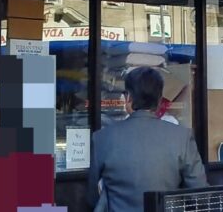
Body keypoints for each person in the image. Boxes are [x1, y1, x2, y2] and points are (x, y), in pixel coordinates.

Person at [88, 67, 207, 212]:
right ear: (159, 100)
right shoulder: (181, 137)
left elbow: (92, 197)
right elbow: (200, 196)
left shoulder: (102, 138)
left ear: (128, 98)